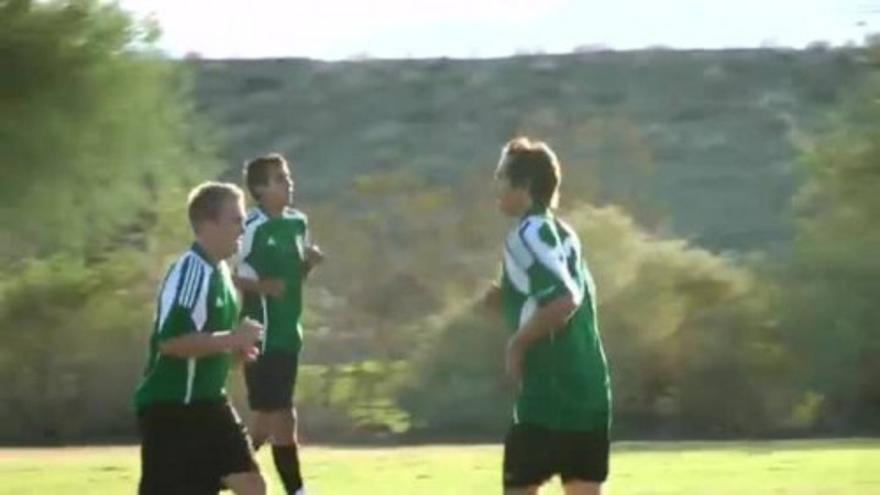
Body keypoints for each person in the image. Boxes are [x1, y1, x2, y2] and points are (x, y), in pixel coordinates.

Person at [483, 137, 612, 495]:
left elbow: (564, 299)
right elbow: (559, 289)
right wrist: (505, 296)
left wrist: (517, 345)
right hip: (590, 391)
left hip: (548, 396)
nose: (496, 186)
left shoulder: (524, 235)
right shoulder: (564, 234)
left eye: (501, 177)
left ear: (522, 186)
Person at [134, 182, 266, 495]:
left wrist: (235, 351)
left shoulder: (221, 272)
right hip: (173, 409)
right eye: (235, 220)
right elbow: (172, 341)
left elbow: (209, 342)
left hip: (208, 402)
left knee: (252, 486)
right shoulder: (191, 271)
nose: (243, 228)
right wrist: (232, 339)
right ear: (208, 224)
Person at [235, 153, 323, 495]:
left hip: (289, 334)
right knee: (276, 416)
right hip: (262, 336)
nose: (289, 183)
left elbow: (292, 278)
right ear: (259, 188)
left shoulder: (298, 223)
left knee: (272, 418)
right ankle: (294, 490)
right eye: (280, 179)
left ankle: (220, 474)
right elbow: (228, 274)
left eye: (288, 177)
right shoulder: (250, 227)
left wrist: (309, 265)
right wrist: (261, 287)